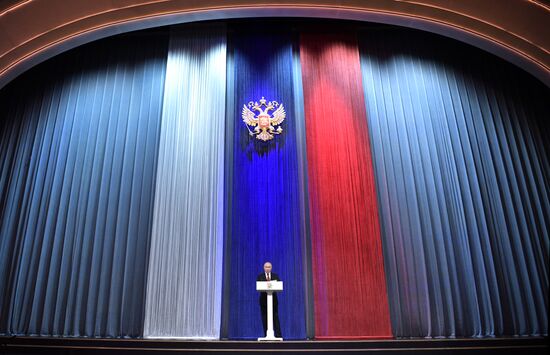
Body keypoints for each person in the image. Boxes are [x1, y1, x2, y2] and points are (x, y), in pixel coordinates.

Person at [257, 262, 282, 338]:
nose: (267, 268)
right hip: (264, 301)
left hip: (273, 301)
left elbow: (279, 284)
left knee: (275, 317)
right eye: (266, 267)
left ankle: (278, 335)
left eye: (269, 267)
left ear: (271, 268)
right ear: (264, 268)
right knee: (265, 318)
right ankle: (266, 335)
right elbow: (258, 285)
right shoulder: (260, 276)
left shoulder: (275, 276)